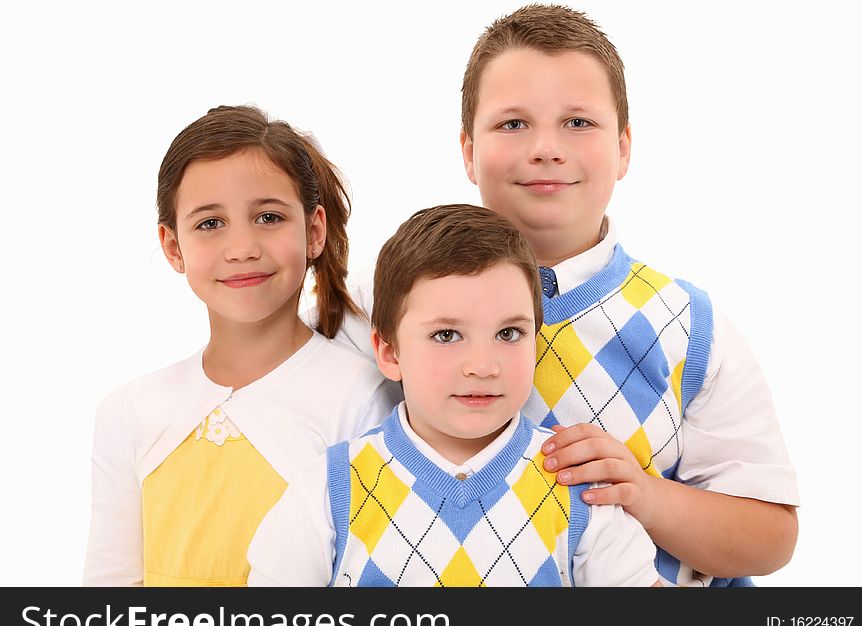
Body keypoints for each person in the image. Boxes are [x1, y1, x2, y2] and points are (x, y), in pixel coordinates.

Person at [456, 4, 799, 586]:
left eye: (578, 122)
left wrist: (644, 494)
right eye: (513, 124)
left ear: (624, 148)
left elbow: (770, 539)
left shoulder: (687, 324)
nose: (546, 148)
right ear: (468, 150)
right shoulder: (389, 308)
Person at [248, 204, 661, 587]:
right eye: (446, 335)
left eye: (508, 334)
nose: (482, 365)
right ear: (390, 353)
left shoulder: (579, 488)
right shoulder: (331, 487)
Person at [83, 105, 401, 586]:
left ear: (314, 231)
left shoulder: (361, 397)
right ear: (173, 246)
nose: (242, 247)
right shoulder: (128, 412)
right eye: (210, 223)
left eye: (268, 217)